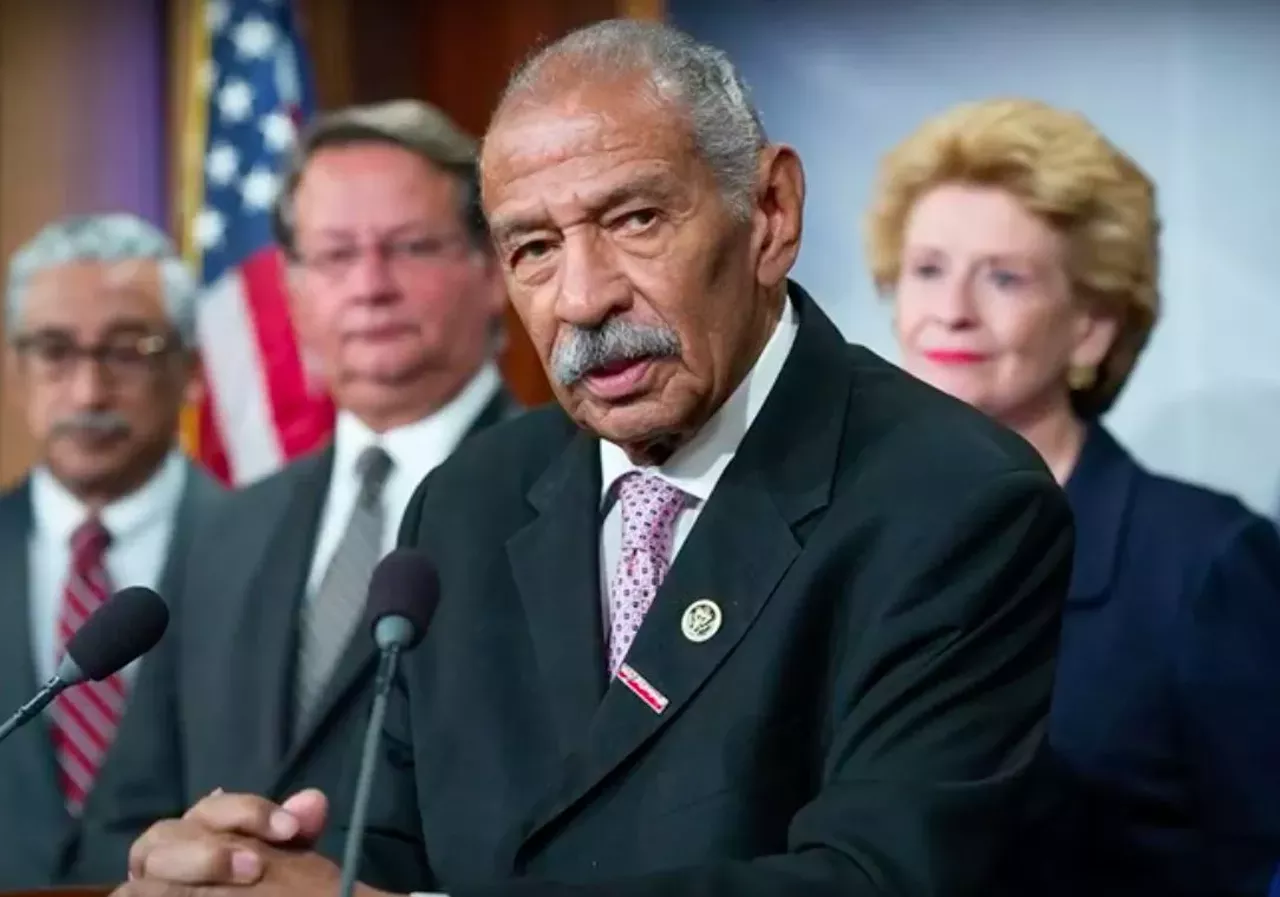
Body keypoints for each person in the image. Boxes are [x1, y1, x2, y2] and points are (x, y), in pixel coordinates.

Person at [116, 22, 1073, 897]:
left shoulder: (955, 499)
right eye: (532, 246)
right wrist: (259, 873)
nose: (582, 297)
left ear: (770, 213)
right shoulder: (468, 502)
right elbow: (399, 849)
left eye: (634, 220)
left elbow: (876, 878)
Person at [77, 100, 520, 880]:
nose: (371, 286)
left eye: (410, 247)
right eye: (335, 254)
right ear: (291, 289)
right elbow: (125, 819)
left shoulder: (576, 499)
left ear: (493, 271)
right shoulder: (225, 526)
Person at [864, 97, 1280, 895]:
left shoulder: (1205, 561)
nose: (950, 310)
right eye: (927, 270)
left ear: (1091, 323)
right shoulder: (853, 535)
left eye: (1005, 277)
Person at [0, 213, 224, 888]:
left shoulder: (271, 548)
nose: (89, 391)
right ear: (15, 366)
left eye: (127, 350)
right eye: (54, 349)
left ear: (189, 368)